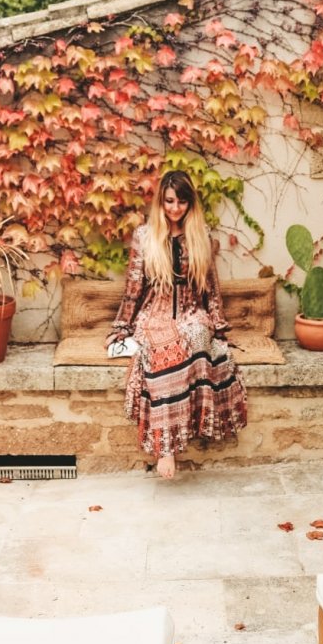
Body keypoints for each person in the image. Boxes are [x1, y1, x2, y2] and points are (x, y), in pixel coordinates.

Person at [107, 170, 248, 479]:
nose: (174, 208)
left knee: (197, 335)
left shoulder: (200, 235)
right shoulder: (144, 236)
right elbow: (133, 286)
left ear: (189, 204)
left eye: (181, 202)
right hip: (154, 312)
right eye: (169, 201)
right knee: (164, 346)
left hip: (190, 311)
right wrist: (123, 326)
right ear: (161, 201)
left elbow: (211, 287)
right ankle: (166, 448)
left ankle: (194, 421)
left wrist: (218, 326)